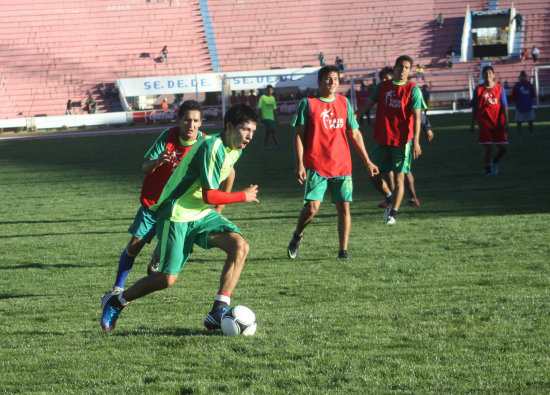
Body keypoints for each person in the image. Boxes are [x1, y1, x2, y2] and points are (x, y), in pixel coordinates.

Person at [101, 104, 260, 331]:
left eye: (253, 131)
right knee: (166, 279)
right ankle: (117, 300)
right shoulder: (211, 146)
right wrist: (242, 196)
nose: (249, 136)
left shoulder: (236, 149)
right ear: (229, 127)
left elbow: (227, 173)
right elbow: (209, 194)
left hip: (201, 214)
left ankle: (218, 310)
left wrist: (218, 213)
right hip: (176, 213)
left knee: (240, 246)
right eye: (245, 130)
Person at [104, 100, 235, 297]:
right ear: (178, 120)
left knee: (170, 249)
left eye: (196, 121)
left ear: (201, 123)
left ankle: (158, 255)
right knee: (135, 244)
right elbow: (144, 167)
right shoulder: (168, 136)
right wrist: (157, 161)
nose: (191, 125)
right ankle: (118, 287)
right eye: (187, 120)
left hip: (181, 209)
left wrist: (220, 206)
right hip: (155, 203)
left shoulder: (207, 144)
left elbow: (230, 172)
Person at [287, 65, 379, 260]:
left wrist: (368, 162)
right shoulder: (308, 104)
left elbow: (354, 133)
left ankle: (343, 251)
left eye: (336, 79)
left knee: (344, 207)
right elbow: (298, 135)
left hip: (342, 166)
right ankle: (297, 235)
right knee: (311, 209)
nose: (332, 82)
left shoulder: (344, 103)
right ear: (319, 82)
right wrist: (299, 163)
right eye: (328, 79)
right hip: (317, 166)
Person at [356, 55, 424, 225]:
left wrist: (416, 141)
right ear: (395, 68)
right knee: (373, 174)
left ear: (410, 70)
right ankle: (389, 197)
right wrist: (353, 118)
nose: (403, 70)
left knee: (400, 178)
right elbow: (366, 105)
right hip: (382, 139)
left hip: (402, 142)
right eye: (400, 66)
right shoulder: (382, 87)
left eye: (407, 67)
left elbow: (417, 117)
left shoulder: (413, 89)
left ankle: (393, 213)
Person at [470, 65, 509, 176]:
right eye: (486, 73)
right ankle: (488, 172)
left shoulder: (500, 88)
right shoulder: (478, 90)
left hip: (498, 123)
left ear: (494, 75)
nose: (488, 75)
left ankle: (494, 161)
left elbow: (504, 106)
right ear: (482, 75)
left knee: (503, 147)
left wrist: (507, 121)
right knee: (489, 147)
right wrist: (472, 124)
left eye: (490, 73)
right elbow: (474, 108)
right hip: (484, 124)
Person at [511, 70, 535, 138]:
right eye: (522, 76)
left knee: (530, 122)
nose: (523, 78)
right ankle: (519, 135)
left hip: (528, 107)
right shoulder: (516, 86)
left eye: (524, 76)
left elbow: (533, 95)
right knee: (519, 122)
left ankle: (531, 134)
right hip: (520, 107)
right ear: (520, 77)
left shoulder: (530, 85)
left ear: (526, 77)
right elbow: (513, 96)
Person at [258, 84, 283, 150]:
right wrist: (260, 118)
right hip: (265, 118)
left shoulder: (273, 98)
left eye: (271, 90)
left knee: (268, 132)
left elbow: (274, 109)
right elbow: (259, 108)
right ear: (266, 90)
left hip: (271, 118)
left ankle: (264, 146)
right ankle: (278, 145)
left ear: (272, 91)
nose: (269, 91)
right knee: (273, 130)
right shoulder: (262, 97)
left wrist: (276, 118)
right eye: (268, 90)